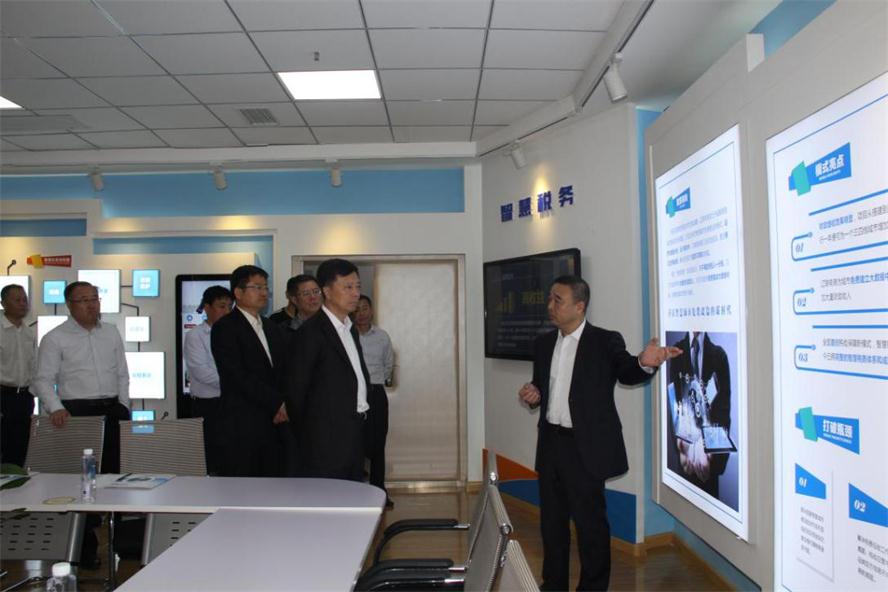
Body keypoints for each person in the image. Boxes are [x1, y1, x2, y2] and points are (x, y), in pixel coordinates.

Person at [517, 275, 680, 591]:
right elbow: (543, 387)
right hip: (551, 445)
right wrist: (533, 394)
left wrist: (644, 363)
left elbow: (626, 371)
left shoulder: (604, 341)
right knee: (551, 525)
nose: (550, 305)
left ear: (579, 306)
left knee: (590, 527)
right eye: (550, 298)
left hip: (585, 449)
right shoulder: (544, 344)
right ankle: (553, 585)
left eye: (558, 300)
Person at [33, 281, 131, 570]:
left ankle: (124, 543)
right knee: (81, 483)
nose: (91, 305)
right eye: (84, 300)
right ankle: (83, 548)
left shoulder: (111, 332)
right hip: (76, 414)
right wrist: (56, 407)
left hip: (112, 410)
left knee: (115, 478)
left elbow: (122, 373)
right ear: (70, 305)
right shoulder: (55, 338)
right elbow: (42, 380)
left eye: (95, 299)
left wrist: (124, 404)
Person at [285, 258, 370, 482]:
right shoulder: (311, 333)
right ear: (327, 291)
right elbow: (296, 392)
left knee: (353, 493)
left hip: (353, 430)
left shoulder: (350, 329)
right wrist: (313, 437)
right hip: (324, 440)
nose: (355, 293)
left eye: (358, 286)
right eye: (348, 287)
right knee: (328, 497)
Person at [211, 265, 288, 477]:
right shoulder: (225, 328)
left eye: (266, 287)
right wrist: (276, 402)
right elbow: (237, 375)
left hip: (275, 423)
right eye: (257, 287)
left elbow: (283, 370)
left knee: (274, 484)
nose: (264, 293)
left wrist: (284, 402)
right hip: (242, 422)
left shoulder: (272, 327)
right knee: (243, 485)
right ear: (238, 292)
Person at [667, 331, 731, 499]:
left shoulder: (719, 355)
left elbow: (723, 412)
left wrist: (712, 458)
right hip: (684, 467)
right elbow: (673, 406)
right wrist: (682, 450)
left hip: (709, 472)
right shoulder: (676, 352)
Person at [183, 285, 233, 475]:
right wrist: (236, 381)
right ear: (207, 307)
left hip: (232, 402)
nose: (227, 311)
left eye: (229, 306)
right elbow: (201, 371)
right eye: (221, 306)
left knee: (233, 456)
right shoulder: (195, 335)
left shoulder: (233, 334)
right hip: (208, 405)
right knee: (212, 457)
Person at [353, 294, 395, 507]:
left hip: (376, 392)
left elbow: (388, 364)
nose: (361, 313)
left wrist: (377, 382)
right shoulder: (347, 335)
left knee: (378, 444)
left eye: (365, 308)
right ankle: (355, 492)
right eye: (357, 309)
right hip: (352, 394)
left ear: (371, 310)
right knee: (354, 443)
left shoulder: (382, 336)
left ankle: (380, 491)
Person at [1, 284, 36, 468]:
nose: (23, 304)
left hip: (24, 397)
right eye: (17, 300)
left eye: (24, 300)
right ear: (3, 303)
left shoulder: (28, 332)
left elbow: (33, 366)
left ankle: (15, 481)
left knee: (20, 448)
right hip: (3, 395)